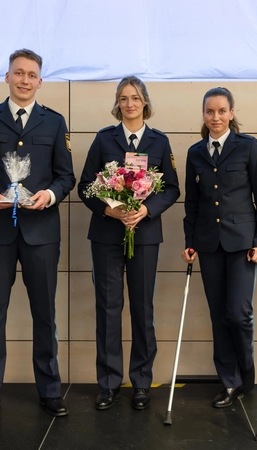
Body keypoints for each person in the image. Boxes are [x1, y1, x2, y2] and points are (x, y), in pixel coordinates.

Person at [0, 49, 76, 422]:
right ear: (7, 77)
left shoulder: (54, 122)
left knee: (45, 314)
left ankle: (50, 392)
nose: (25, 80)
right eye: (18, 73)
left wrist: (50, 194)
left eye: (31, 75)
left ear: (40, 82)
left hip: (41, 232)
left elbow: (66, 176)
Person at [77, 76, 180, 411]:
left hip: (145, 235)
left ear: (145, 102)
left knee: (142, 308)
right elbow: (84, 186)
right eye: (123, 98)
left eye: (135, 98)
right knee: (107, 308)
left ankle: (141, 381)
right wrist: (110, 209)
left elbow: (172, 189)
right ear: (117, 104)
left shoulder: (159, 141)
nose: (129, 104)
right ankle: (108, 383)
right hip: (107, 234)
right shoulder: (104, 139)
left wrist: (146, 210)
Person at [182, 87, 257, 408]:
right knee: (219, 315)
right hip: (207, 243)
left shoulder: (248, 147)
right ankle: (229, 381)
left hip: (242, 244)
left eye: (221, 111)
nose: (215, 117)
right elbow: (192, 203)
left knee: (239, 313)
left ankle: (246, 372)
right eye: (210, 112)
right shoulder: (195, 153)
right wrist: (190, 242)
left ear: (231, 113)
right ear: (203, 115)